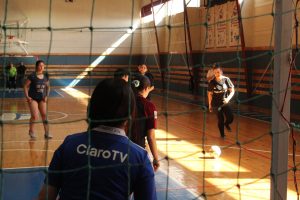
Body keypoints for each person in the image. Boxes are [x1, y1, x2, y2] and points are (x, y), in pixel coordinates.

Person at [38, 79, 157, 200]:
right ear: (131, 114)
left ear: (91, 108)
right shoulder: (139, 157)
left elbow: (45, 196)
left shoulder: (70, 144)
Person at [131, 75, 160, 172]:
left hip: (119, 148)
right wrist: (156, 158)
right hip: (137, 149)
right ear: (147, 88)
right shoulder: (149, 106)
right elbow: (150, 136)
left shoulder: (125, 101)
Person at [24, 60, 51, 139]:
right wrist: (27, 97)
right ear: (36, 66)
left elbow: (48, 87)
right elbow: (25, 86)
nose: (42, 67)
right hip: (33, 98)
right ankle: (31, 131)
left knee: (44, 115)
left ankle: (47, 133)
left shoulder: (46, 75)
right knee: (35, 116)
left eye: (43, 65)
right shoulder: (32, 76)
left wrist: (46, 96)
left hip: (42, 98)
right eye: (40, 65)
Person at [207, 65, 235, 138]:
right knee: (220, 119)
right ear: (214, 73)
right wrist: (210, 105)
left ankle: (227, 124)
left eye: (218, 72)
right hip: (216, 104)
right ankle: (222, 135)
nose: (217, 73)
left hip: (224, 102)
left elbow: (232, 91)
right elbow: (209, 94)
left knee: (231, 117)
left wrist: (228, 99)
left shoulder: (226, 79)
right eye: (215, 72)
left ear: (221, 71)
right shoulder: (212, 82)